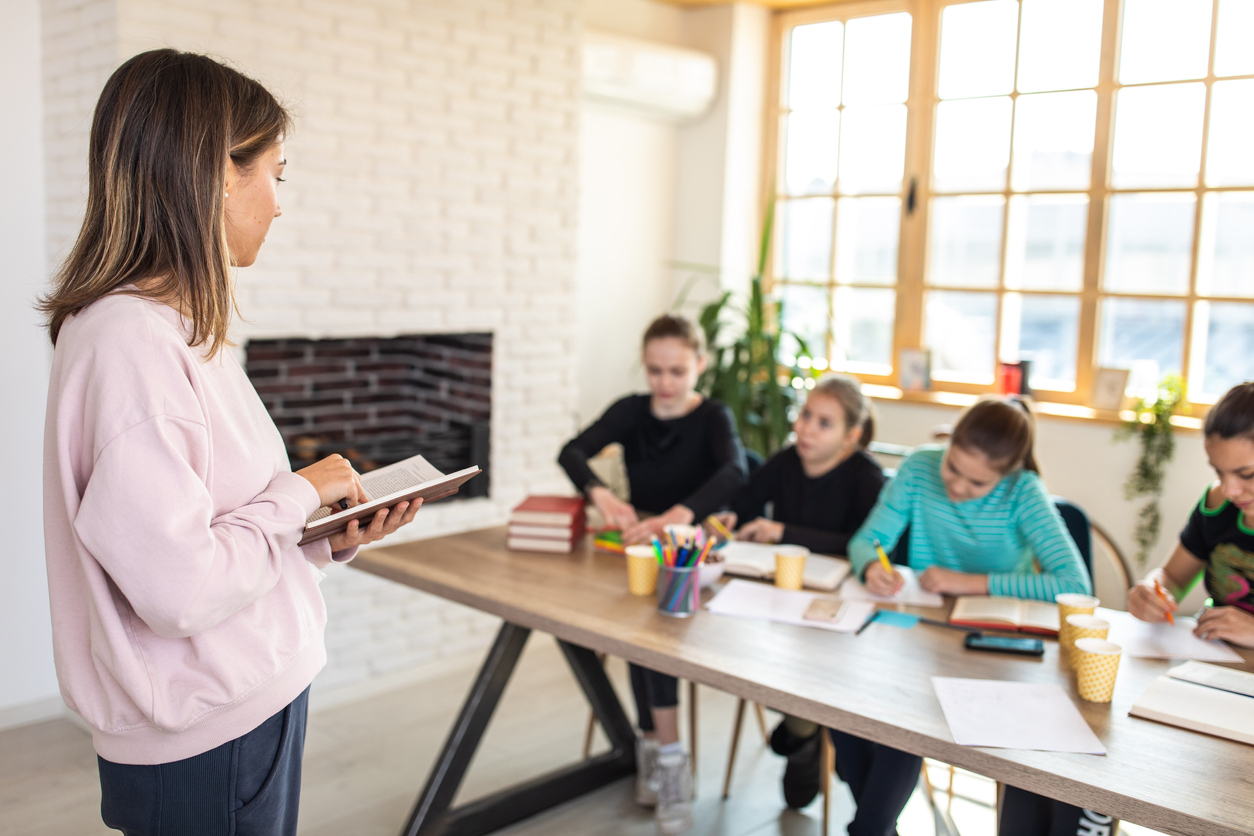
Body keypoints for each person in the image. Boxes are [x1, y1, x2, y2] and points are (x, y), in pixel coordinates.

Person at [39, 50, 422, 836]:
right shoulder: (129, 345)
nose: (280, 203)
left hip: (245, 707)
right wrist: (301, 491)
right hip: (207, 737)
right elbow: (180, 589)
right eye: (276, 173)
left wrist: (319, 535)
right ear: (218, 171)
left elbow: (211, 536)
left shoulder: (177, 333)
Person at [840, 396, 1091, 836]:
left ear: (1007, 473)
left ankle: (869, 828)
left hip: (997, 649)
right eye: (953, 468)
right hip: (923, 635)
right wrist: (871, 566)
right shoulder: (919, 468)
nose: (956, 487)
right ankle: (873, 827)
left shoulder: (1024, 491)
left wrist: (969, 582)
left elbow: (1074, 584)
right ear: (949, 441)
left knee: (903, 724)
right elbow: (866, 540)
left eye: (977, 483)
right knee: (848, 714)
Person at [558, 313, 748, 835]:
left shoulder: (713, 417)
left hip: (691, 551)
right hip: (640, 548)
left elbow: (736, 471)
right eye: (655, 370)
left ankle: (666, 758)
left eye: (677, 371)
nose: (665, 383)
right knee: (636, 637)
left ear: (700, 366)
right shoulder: (630, 411)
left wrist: (678, 515)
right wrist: (602, 495)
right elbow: (570, 452)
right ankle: (658, 753)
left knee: (653, 642)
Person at [712, 374, 886, 809]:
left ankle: (804, 733)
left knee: (816, 667)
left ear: (852, 436)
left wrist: (783, 530)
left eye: (824, 423)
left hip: (843, 614)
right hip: (783, 604)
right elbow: (746, 503)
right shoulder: (787, 461)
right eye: (805, 415)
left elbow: (862, 542)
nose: (806, 428)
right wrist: (731, 518)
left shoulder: (866, 476)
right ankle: (805, 732)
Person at [1129, 381, 1254, 646]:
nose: (1230, 489)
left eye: (1247, 475)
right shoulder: (1216, 504)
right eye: (1219, 472)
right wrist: (1153, 590)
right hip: (1214, 660)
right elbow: (1172, 578)